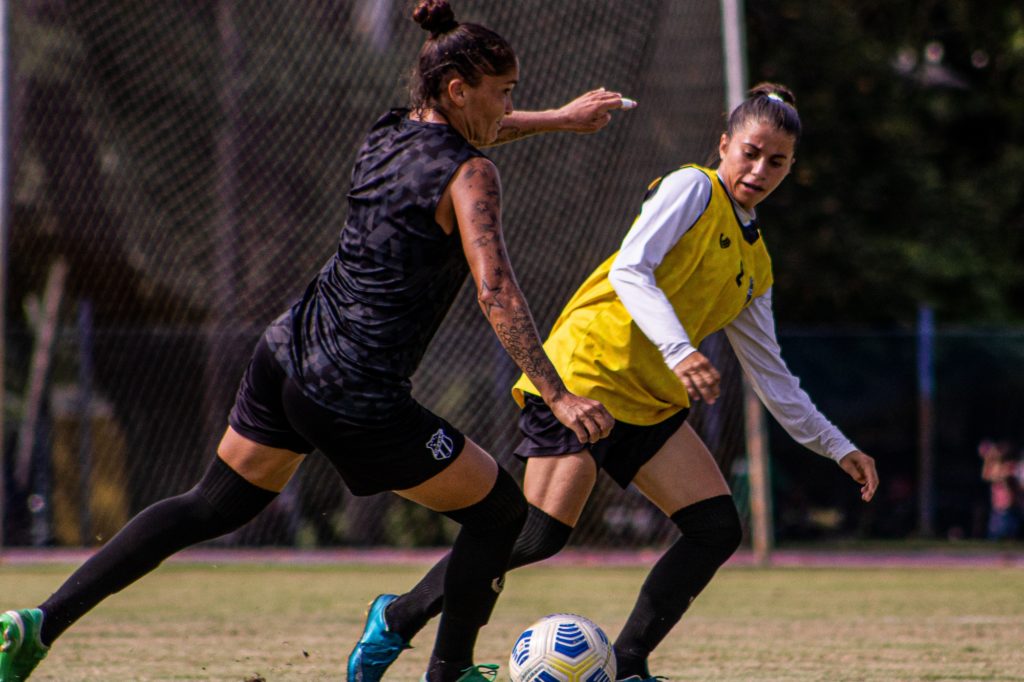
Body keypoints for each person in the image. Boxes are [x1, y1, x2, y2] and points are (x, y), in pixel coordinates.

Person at [0, 2, 625, 680]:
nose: (509, 107)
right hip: (355, 393)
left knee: (212, 503)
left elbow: (468, 138)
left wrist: (558, 120)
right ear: (457, 90)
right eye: (504, 93)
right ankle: (448, 672)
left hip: (287, 353)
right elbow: (496, 289)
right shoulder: (473, 175)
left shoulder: (387, 133)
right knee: (502, 510)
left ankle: (39, 624)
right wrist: (557, 394)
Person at [348, 82, 880, 682]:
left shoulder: (755, 265)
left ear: (790, 167)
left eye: (776, 161)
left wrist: (839, 446)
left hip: (647, 403)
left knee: (714, 528)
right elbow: (632, 267)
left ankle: (627, 665)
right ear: (724, 144)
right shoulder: (693, 188)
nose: (759, 169)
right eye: (750, 152)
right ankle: (396, 618)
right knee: (536, 535)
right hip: (586, 377)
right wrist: (679, 350)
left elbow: (773, 374)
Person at [979, 439, 1021, 540]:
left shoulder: (1011, 466)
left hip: (1009, 507)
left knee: (1009, 535)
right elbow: (986, 476)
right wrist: (988, 458)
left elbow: (1004, 476)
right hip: (998, 508)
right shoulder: (996, 467)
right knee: (995, 536)